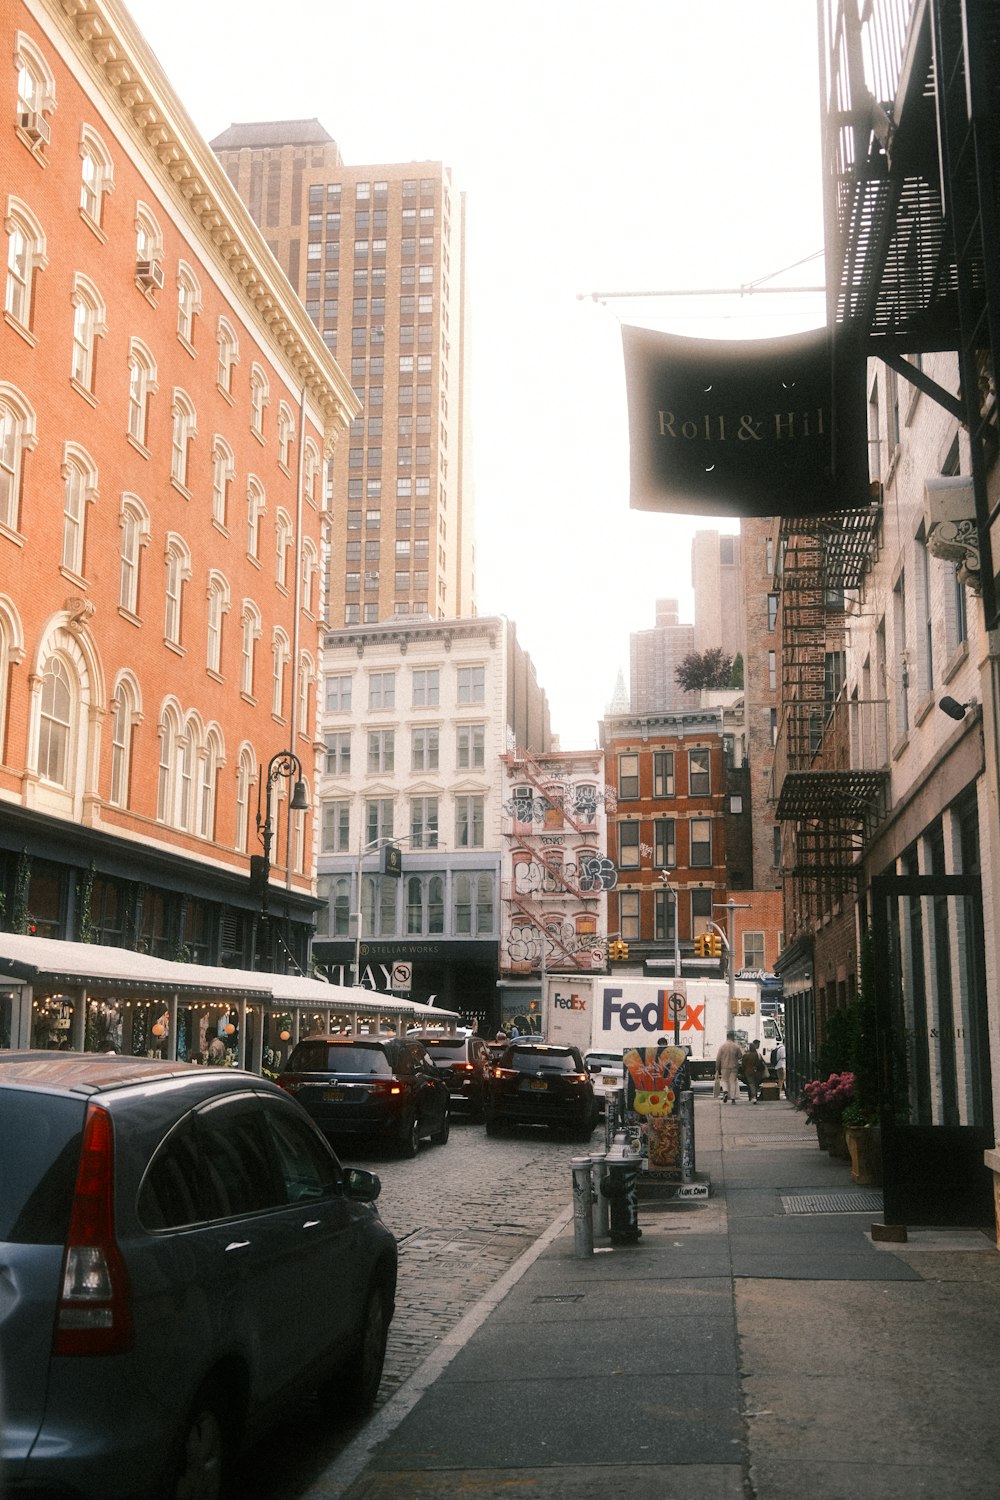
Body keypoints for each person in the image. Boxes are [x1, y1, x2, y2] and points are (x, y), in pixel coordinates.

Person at [715, 1031, 743, 1103]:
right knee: (733, 1082)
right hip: (734, 1067)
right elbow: (740, 1056)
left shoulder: (722, 1046)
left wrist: (717, 1067)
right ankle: (733, 1099)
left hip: (724, 1067)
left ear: (727, 1037)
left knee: (724, 1080)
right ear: (733, 1037)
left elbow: (718, 1058)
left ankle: (725, 1091)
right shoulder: (736, 1046)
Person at [742, 1038, 766, 1103]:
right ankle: (755, 1096)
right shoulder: (757, 1055)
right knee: (756, 1084)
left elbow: (743, 1064)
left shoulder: (745, 1055)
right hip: (757, 1071)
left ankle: (752, 1097)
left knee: (751, 1084)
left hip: (748, 1071)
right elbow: (761, 1062)